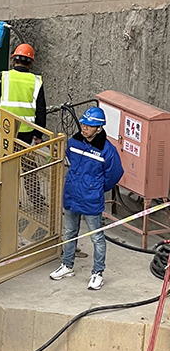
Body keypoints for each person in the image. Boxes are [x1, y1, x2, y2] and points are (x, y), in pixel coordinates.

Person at [50, 106, 124, 290]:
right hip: (72, 195)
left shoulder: (107, 151)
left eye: (89, 126)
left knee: (96, 237)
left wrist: (97, 188)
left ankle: (97, 273)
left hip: (91, 199)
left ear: (99, 128)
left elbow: (115, 174)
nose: (84, 128)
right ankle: (67, 265)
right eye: (83, 124)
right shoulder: (74, 142)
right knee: (69, 233)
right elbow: (70, 161)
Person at [0, 42, 47, 210]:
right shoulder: (36, 81)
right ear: (31, 62)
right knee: (29, 166)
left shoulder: (4, 76)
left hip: (6, 129)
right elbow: (41, 110)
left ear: (14, 60)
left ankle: (11, 200)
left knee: (8, 165)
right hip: (26, 131)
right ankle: (36, 201)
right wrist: (38, 134)